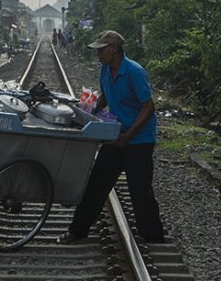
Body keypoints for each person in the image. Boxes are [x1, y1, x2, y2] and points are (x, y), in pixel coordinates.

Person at [57, 30, 165, 245]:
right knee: (97, 184)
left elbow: (148, 106)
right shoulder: (105, 69)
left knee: (140, 188)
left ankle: (153, 236)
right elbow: (105, 95)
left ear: (114, 49)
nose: (98, 55)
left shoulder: (135, 72)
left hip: (139, 140)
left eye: (101, 50)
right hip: (116, 136)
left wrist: (129, 135)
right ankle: (77, 230)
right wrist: (91, 113)